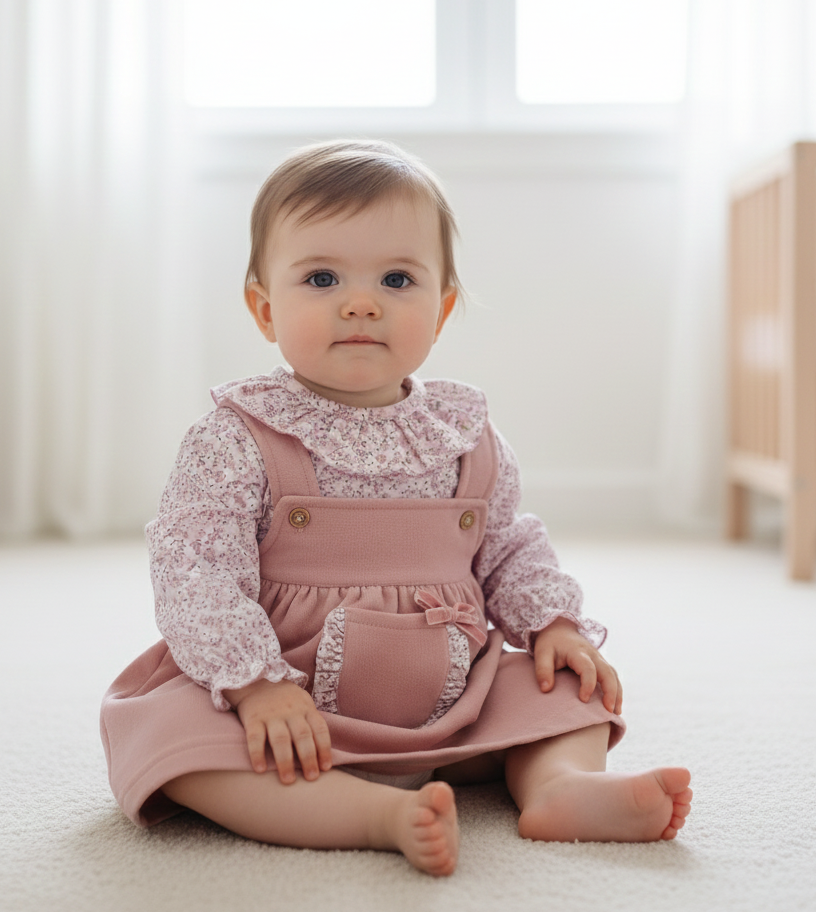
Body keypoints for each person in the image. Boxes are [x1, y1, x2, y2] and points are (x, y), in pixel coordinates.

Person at [100, 139, 692, 877]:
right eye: (321, 278)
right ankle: (372, 816)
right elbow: (194, 572)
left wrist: (554, 625)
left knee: (566, 685)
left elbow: (508, 548)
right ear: (265, 309)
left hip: (452, 697)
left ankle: (562, 787)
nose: (361, 302)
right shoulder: (237, 438)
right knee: (172, 735)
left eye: (397, 279)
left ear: (440, 311)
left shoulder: (465, 436)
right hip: (289, 704)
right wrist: (253, 685)